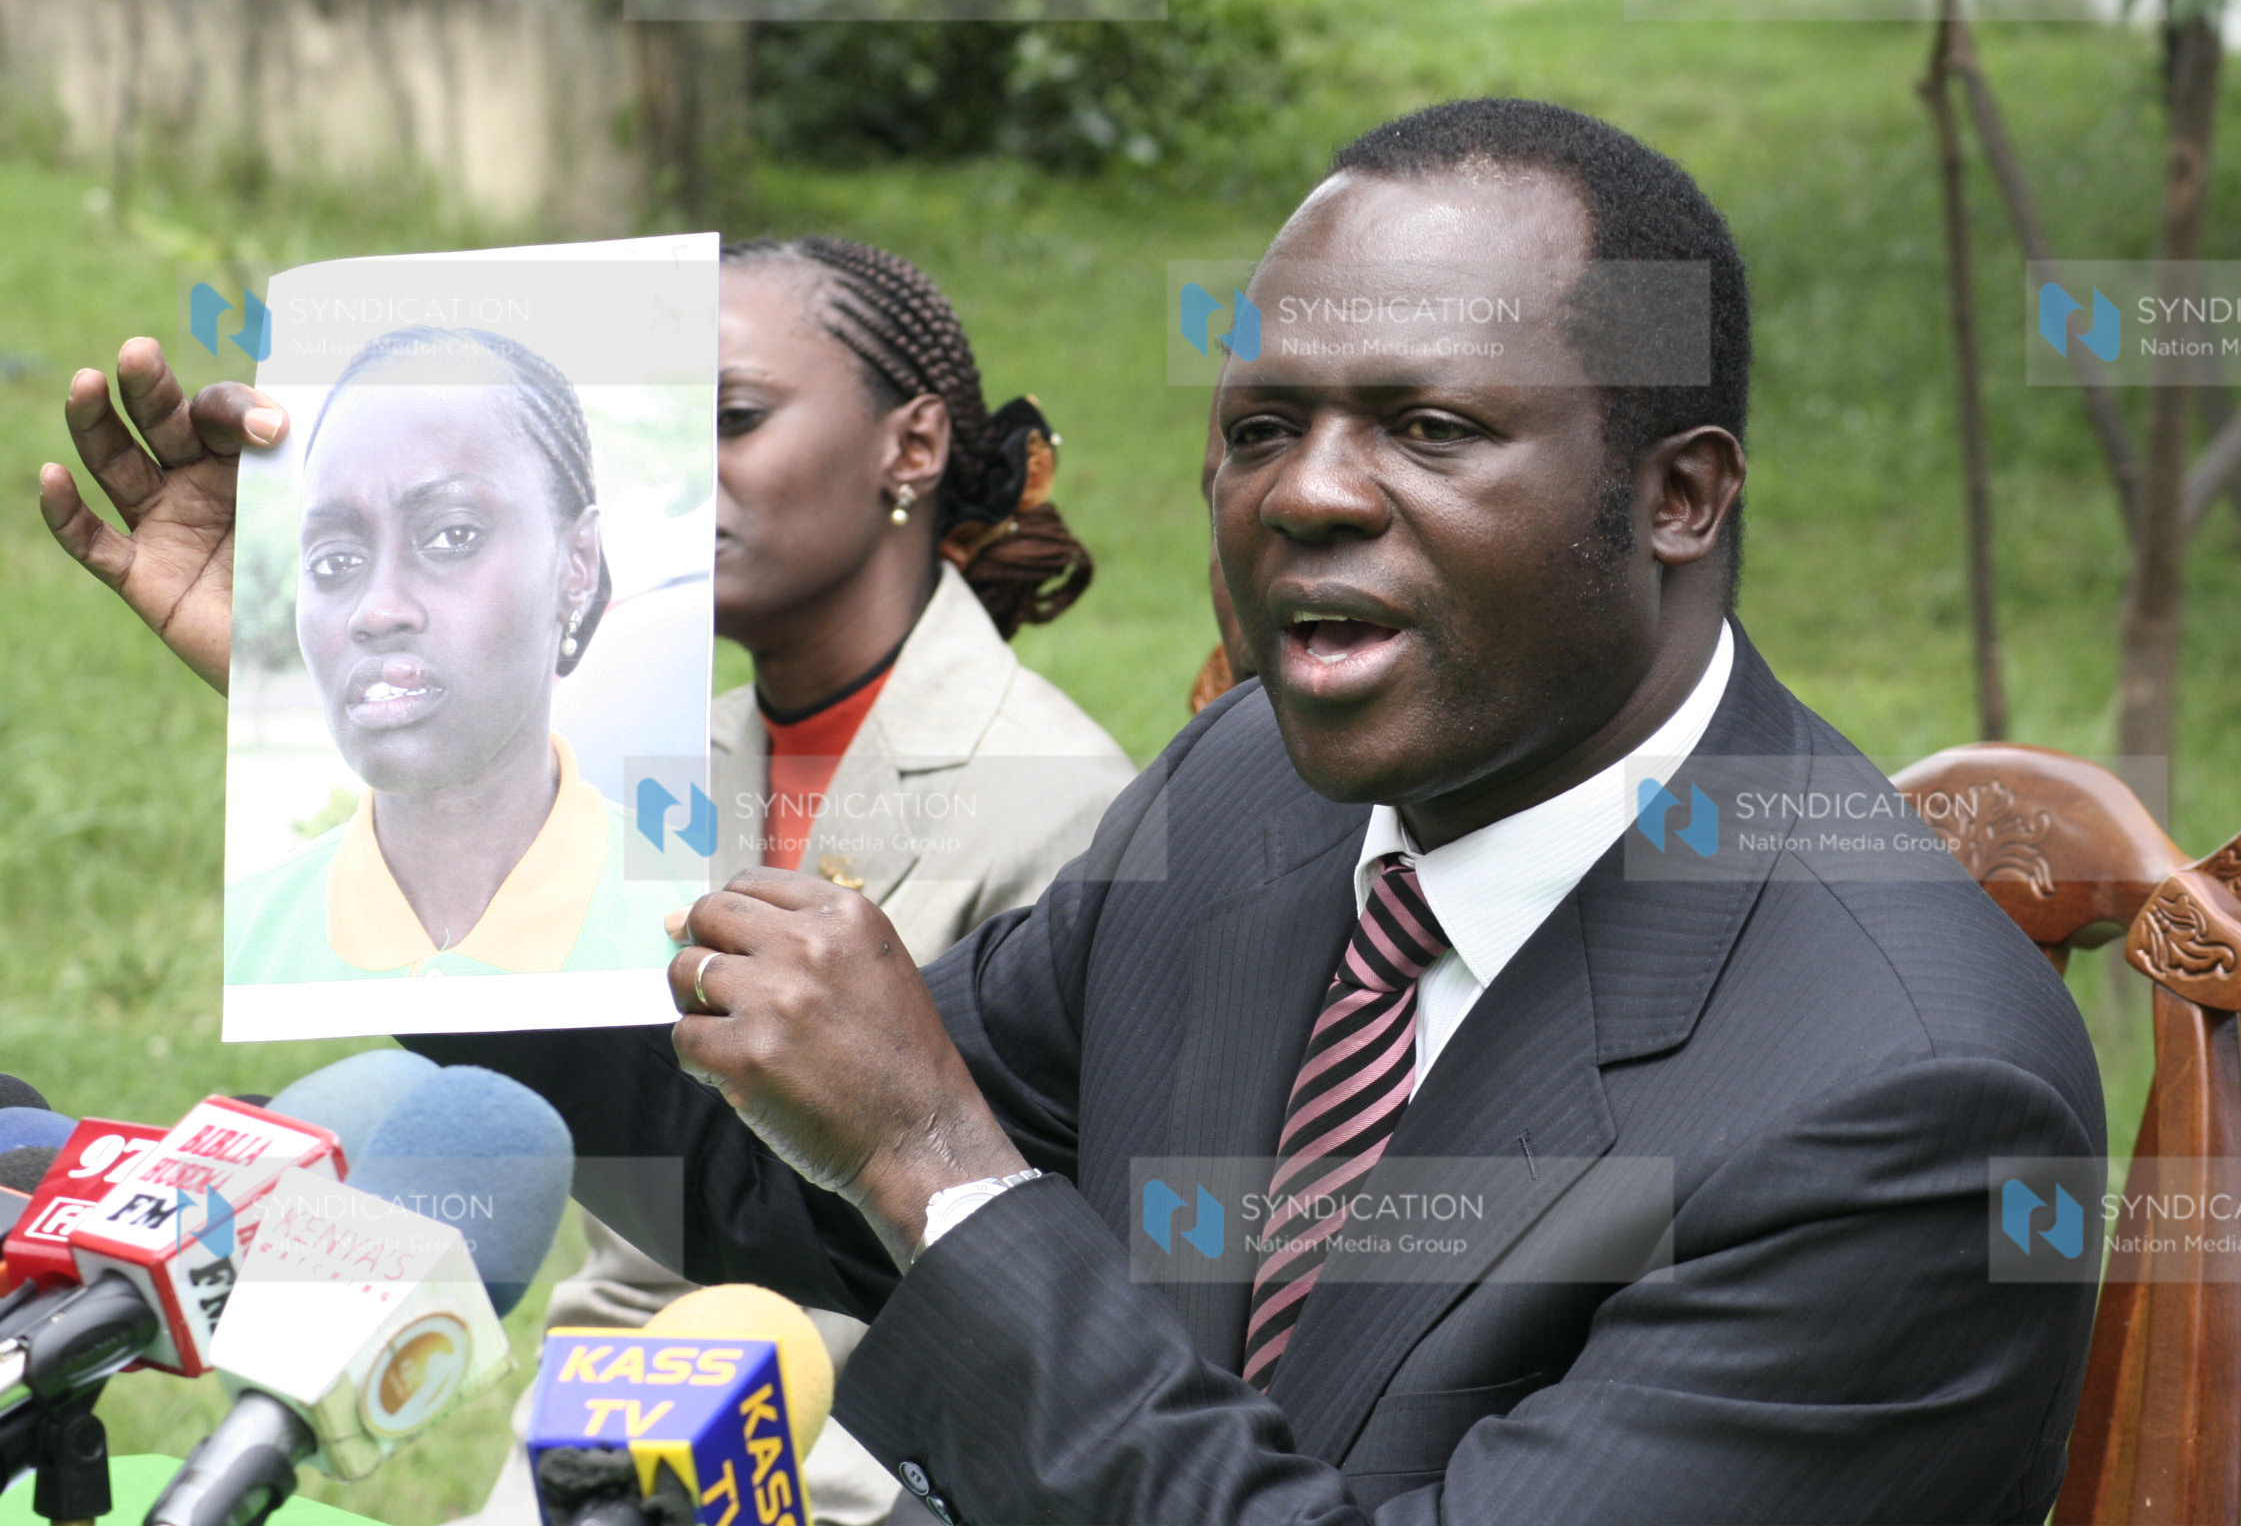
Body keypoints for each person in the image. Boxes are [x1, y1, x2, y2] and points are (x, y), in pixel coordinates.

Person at [51, 100, 2106, 1522]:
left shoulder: (1900, 1112)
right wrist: (400, 730)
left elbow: (923, 1182)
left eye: (1432, 426)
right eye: (1263, 427)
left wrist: (945, 1160)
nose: (1304, 490)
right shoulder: (1252, 808)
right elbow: (768, 1177)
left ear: (1680, 494)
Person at [39, 236, 1133, 1526]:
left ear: (913, 444)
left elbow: (1012, 1308)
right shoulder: (667, 761)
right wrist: (324, 682)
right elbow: (644, 1249)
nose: (690, 465)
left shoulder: (1064, 798)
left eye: (730, 416)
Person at [219, 326, 700, 983]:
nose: (378, 610)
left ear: (577, 563)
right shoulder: (247, 940)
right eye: (335, 560)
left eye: (452, 535)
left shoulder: (692, 930)